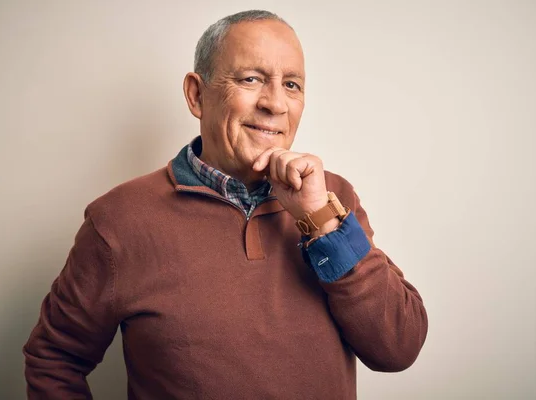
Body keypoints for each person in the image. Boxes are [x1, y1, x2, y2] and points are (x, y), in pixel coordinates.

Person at [23, 10, 428, 399]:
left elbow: (398, 347)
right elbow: (54, 358)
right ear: (197, 95)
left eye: (292, 84)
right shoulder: (118, 221)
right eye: (252, 79)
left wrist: (321, 223)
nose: (275, 104)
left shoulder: (331, 198)